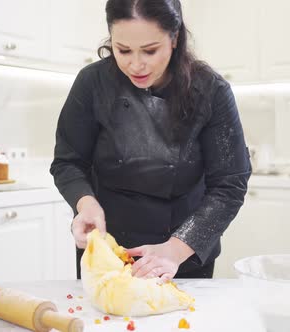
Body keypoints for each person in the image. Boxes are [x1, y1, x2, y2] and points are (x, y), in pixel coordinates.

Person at [50, 0, 251, 281]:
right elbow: (68, 162)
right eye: (123, 50)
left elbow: (230, 184)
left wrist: (176, 249)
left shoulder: (210, 90)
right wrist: (85, 204)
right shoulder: (92, 83)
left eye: (150, 50)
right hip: (108, 255)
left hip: (182, 257)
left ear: (175, 38)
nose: (135, 64)